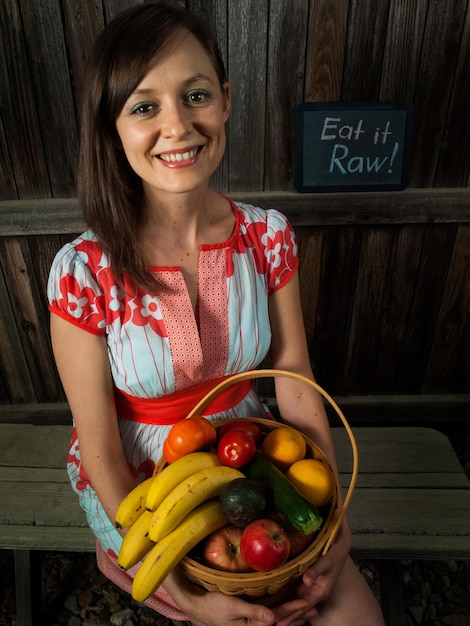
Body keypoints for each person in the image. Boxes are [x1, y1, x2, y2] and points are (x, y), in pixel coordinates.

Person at [47, 3, 385, 625]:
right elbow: (97, 444)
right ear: (111, 126)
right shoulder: (83, 270)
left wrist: (335, 520)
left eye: (195, 95)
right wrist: (178, 584)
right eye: (144, 106)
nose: (177, 126)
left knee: (347, 611)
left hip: (249, 449)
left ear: (225, 102)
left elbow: (297, 385)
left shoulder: (268, 236)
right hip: (139, 478)